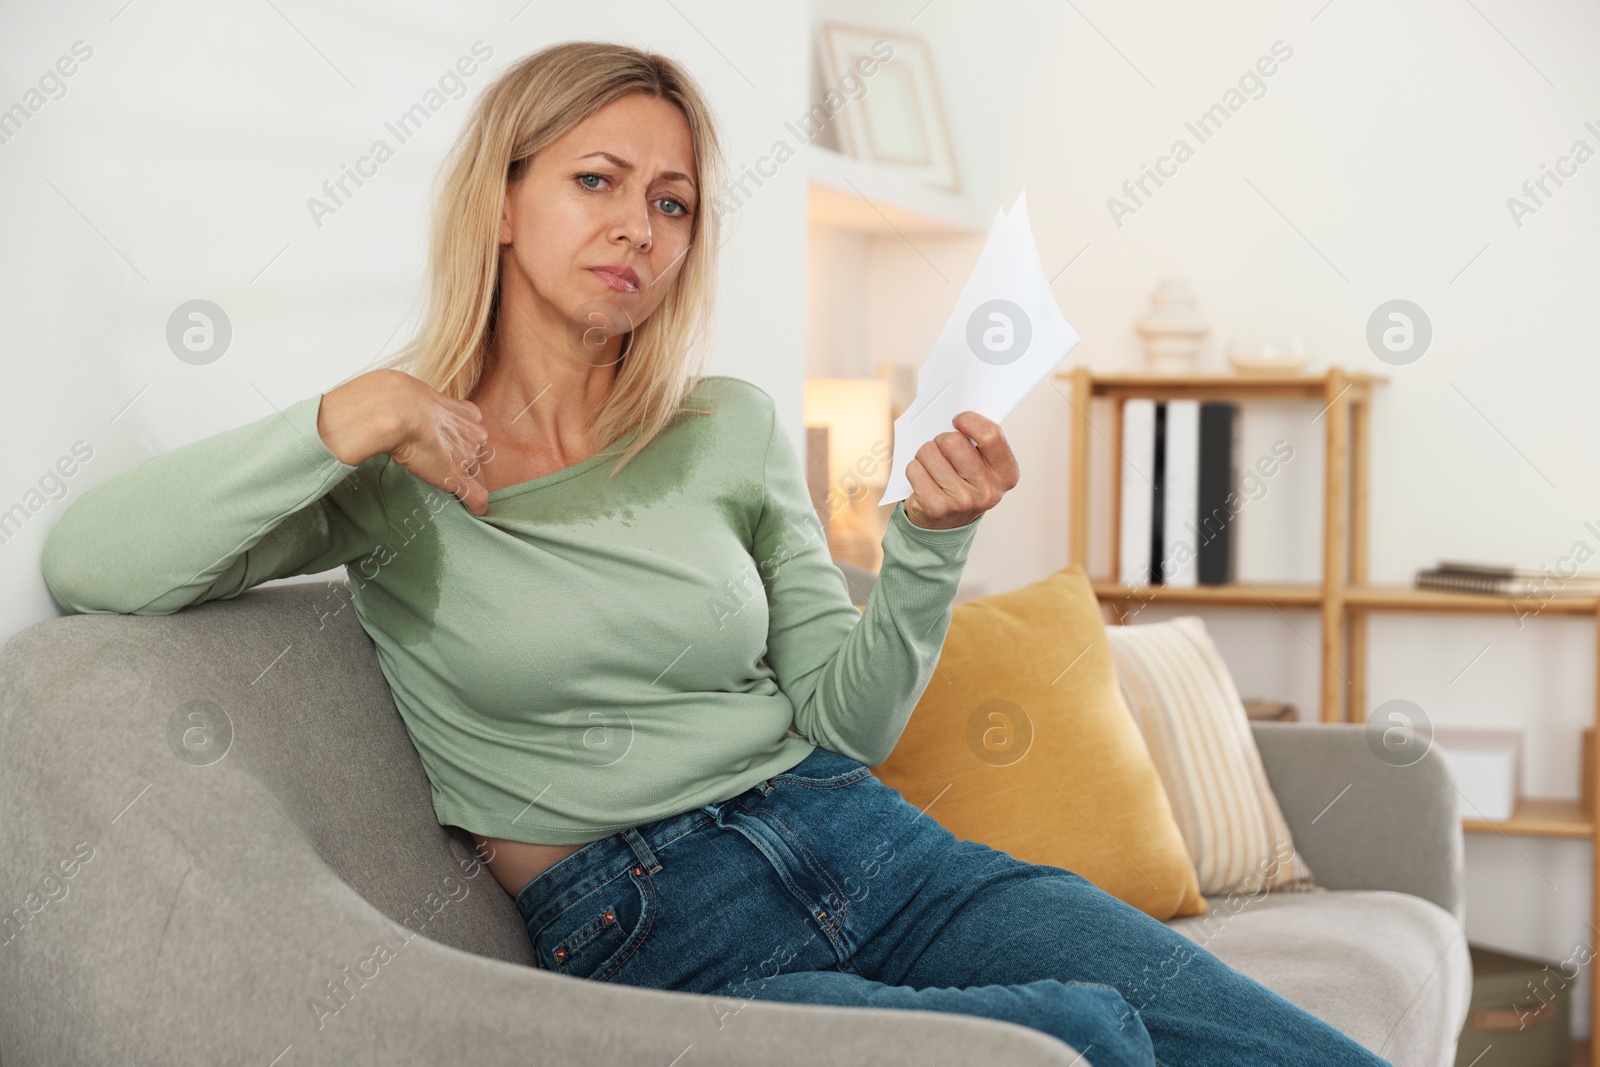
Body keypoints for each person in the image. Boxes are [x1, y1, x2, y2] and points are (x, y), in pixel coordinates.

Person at [39, 40, 1392, 1067]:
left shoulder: (729, 427)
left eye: (675, 203)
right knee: (1078, 1036)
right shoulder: (392, 466)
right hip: (652, 919)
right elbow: (98, 566)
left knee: (1284, 1049)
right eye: (597, 181)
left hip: (868, 840)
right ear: (502, 203)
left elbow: (842, 720)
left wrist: (927, 543)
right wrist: (345, 414)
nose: (641, 225)